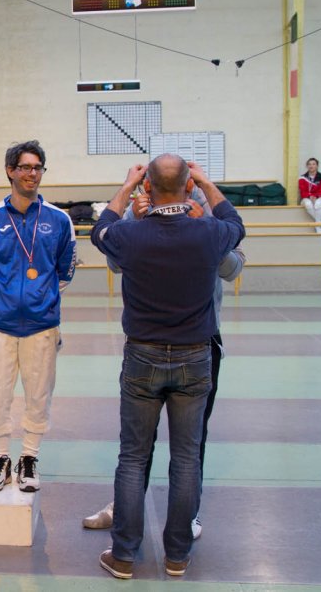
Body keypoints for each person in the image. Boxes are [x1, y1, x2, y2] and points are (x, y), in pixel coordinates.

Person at [91, 155, 244, 579]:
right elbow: (236, 223)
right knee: (187, 458)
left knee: (133, 456)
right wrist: (206, 183)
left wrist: (126, 188)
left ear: (148, 187)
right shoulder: (210, 232)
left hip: (142, 357)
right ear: (188, 186)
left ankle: (124, 555)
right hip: (195, 357)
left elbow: (102, 229)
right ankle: (177, 555)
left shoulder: (130, 235)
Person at [0, 141, 76, 493]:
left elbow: (65, 271)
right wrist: (5, 297)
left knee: (38, 395)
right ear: (10, 171)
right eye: (25, 167)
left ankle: (29, 457)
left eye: (38, 167)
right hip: (0, 324)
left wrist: (40, 298)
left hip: (42, 325)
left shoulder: (59, 220)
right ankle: (0, 458)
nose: (32, 173)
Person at [299, 157, 321, 234]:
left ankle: (317, 226)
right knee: (308, 204)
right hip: (306, 197)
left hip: (319, 197)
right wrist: (310, 196)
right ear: (307, 166)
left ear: (317, 166)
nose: (311, 166)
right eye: (309, 164)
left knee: (318, 204)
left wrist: (316, 197)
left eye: (313, 164)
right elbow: (302, 192)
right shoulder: (302, 177)